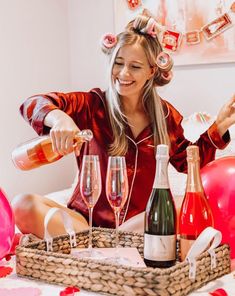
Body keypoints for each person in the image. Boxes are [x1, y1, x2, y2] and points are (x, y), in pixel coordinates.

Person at [12, 13, 235, 239]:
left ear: (151, 71)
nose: (123, 73)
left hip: (138, 225)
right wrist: (60, 119)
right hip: (84, 221)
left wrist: (218, 127)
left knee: (180, 205)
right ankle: (106, 247)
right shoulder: (91, 104)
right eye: (118, 63)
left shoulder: (165, 116)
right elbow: (33, 104)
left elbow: (188, 162)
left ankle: (100, 247)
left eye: (135, 67)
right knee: (22, 204)